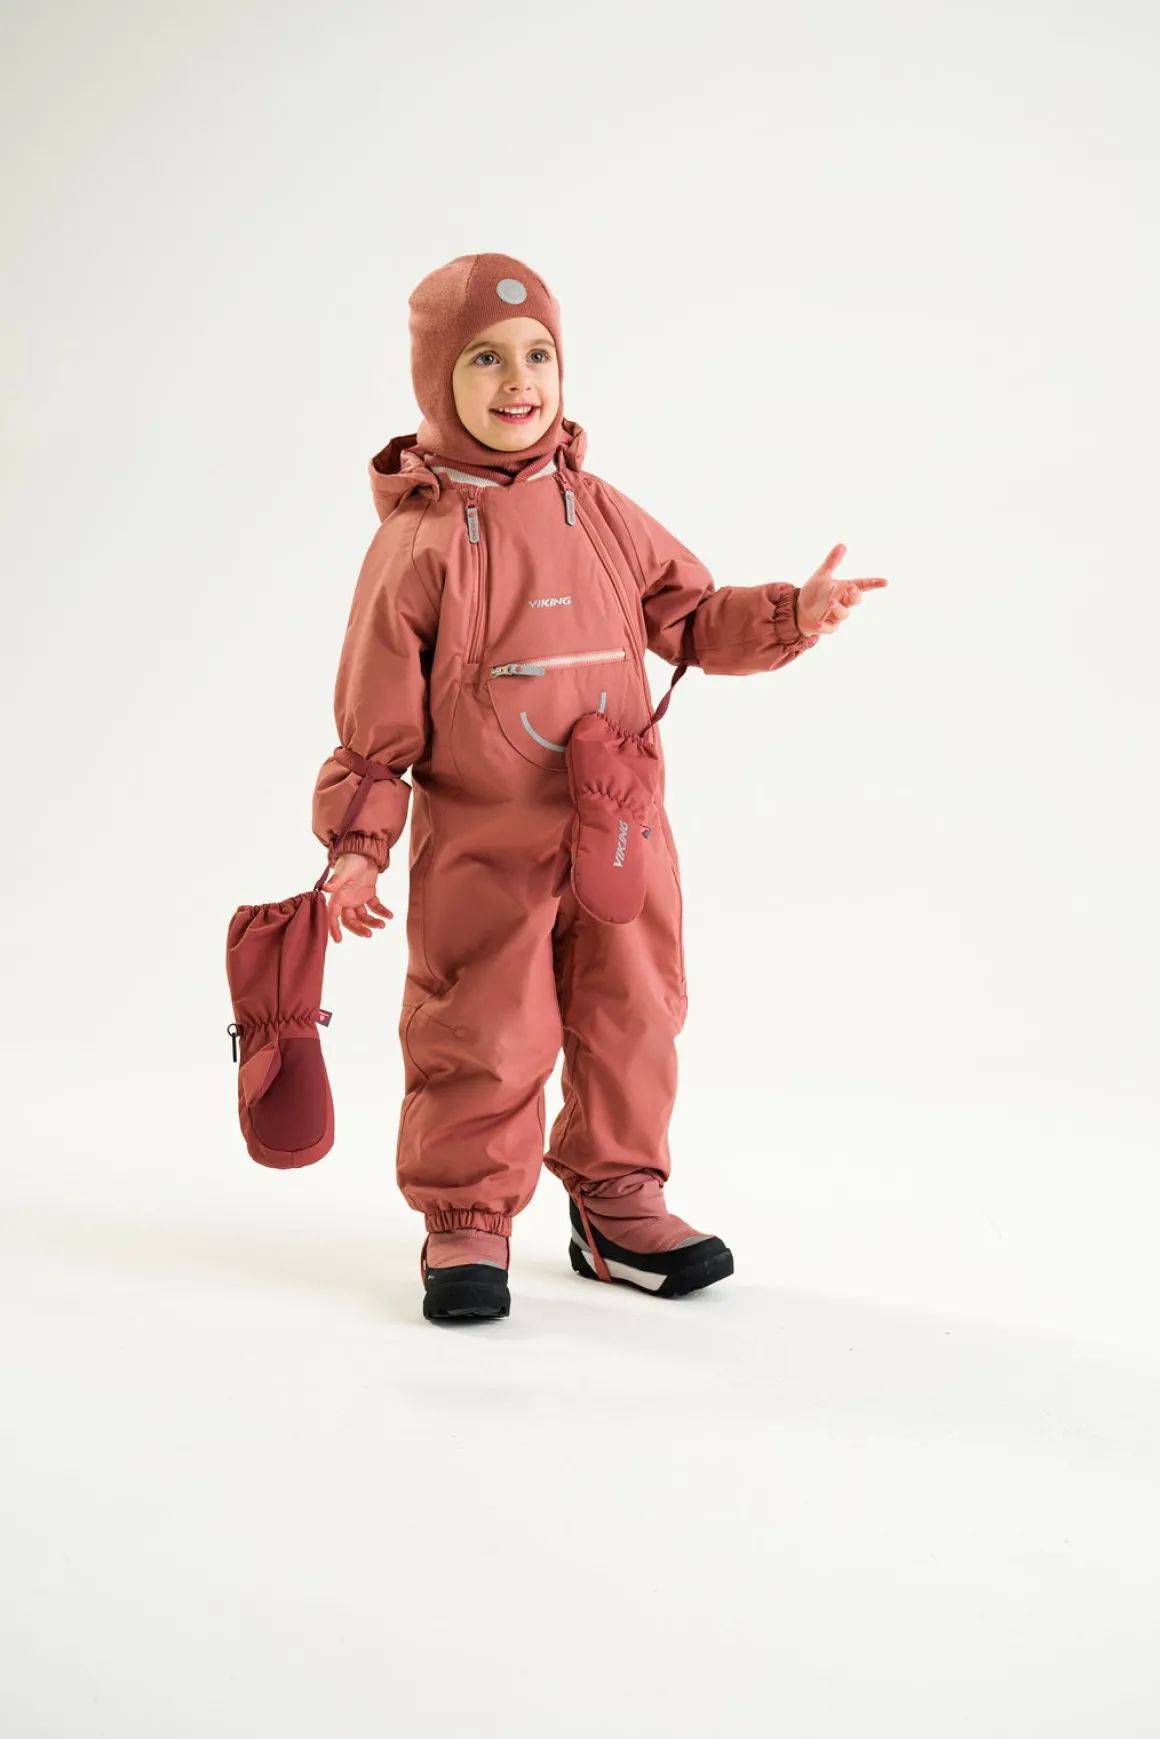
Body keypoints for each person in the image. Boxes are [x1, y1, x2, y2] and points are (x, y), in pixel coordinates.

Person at [311, 252, 887, 1323]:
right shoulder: (417, 544)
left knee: (635, 1008)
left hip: (618, 828)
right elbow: (376, 727)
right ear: (436, 378)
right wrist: (357, 847)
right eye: (485, 358)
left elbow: (690, 615)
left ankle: (618, 1202)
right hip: (486, 844)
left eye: (538, 355)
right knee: (482, 1022)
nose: (519, 380)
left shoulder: (602, 512)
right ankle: (467, 1215)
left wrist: (790, 613)